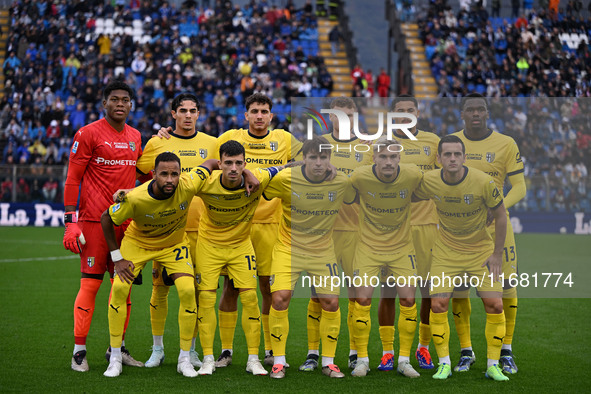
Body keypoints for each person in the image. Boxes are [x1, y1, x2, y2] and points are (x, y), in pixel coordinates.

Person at [101, 152, 215, 377]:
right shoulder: (135, 198)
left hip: (173, 244)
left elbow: (210, 163)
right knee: (120, 288)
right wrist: (117, 258)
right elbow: (106, 218)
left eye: (174, 174)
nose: (170, 179)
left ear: (181, 174)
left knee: (187, 291)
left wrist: (246, 173)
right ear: (153, 175)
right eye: (164, 174)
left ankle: (184, 359)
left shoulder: (189, 183)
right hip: (139, 242)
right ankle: (115, 357)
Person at [213, 93, 302, 368]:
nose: (260, 115)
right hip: (237, 223)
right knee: (230, 287)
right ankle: (226, 351)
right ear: (246, 115)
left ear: (271, 116)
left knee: (267, 287)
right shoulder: (232, 136)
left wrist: (268, 172)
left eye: (264, 111)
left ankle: (269, 349)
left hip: (270, 225)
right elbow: (213, 162)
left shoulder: (285, 139)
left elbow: (303, 162)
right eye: (255, 111)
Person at [63, 80, 143, 372]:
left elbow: (146, 173)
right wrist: (70, 222)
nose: (120, 104)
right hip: (94, 223)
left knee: (124, 289)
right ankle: (79, 352)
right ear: (104, 104)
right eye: (115, 99)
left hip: (126, 226)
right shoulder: (87, 134)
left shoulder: (136, 136)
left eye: (125, 100)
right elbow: (73, 179)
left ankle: (116, 349)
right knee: (90, 285)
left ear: (131, 105)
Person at [414, 135, 509, 382]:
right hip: (446, 252)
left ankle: (493, 365)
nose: (453, 158)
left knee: (495, 305)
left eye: (457, 154)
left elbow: (501, 216)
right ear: (439, 159)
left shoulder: (483, 182)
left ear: (465, 157)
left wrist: (497, 254)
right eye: (447, 154)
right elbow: (405, 188)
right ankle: (444, 363)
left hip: (480, 251)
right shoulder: (430, 181)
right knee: (438, 305)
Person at [136, 93, 218, 369]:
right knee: (160, 288)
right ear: (173, 114)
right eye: (182, 110)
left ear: (198, 113)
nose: (188, 115)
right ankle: (157, 348)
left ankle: (190, 349)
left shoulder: (211, 144)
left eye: (193, 110)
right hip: (166, 228)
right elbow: (140, 173)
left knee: (193, 290)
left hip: (201, 229)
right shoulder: (158, 142)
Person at [195, 140, 286, 376]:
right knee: (205, 299)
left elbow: (288, 166)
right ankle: (207, 358)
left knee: (250, 299)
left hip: (240, 246)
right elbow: (172, 183)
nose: (234, 168)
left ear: (245, 164)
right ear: (219, 164)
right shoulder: (205, 181)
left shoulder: (258, 178)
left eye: (239, 164)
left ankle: (253, 359)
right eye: (228, 163)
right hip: (209, 246)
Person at [266, 136, 355, 379]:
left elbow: (356, 192)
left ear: (330, 160)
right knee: (280, 298)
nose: (318, 163)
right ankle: (279, 362)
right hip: (288, 248)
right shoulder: (286, 179)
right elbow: (257, 180)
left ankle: (328, 362)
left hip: (322, 251)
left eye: (323, 158)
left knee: (331, 303)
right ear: (303, 158)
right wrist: (285, 167)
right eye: (313, 157)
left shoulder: (341, 181)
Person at [450, 93, 525, 374]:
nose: (476, 113)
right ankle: (466, 351)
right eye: (470, 109)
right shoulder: (451, 143)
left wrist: (497, 209)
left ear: (487, 113)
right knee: (460, 288)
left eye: (480, 109)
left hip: (497, 229)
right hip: (459, 231)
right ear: (462, 114)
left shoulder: (506, 144)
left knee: (505, 286)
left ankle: (505, 349)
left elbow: (519, 187)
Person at [300, 97, 372, 373]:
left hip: (357, 232)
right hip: (323, 233)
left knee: (357, 294)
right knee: (318, 295)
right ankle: (313, 353)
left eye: (350, 115)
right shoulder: (316, 146)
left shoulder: (367, 148)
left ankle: (355, 353)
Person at [349, 136, 423, 378]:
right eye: (383, 157)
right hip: (368, 248)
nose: (388, 162)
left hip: (402, 249)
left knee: (408, 300)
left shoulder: (412, 175)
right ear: (374, 158)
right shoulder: (359, 176)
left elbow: (437, 185)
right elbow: (337, 186)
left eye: (393, 157)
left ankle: (403, 360)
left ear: (399, 158)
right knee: (362, 300)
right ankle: (362, 360)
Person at [377, 95, 439, 372]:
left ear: (418, 112)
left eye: (410, 111)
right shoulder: (379, 144)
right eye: (399, 111)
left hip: (427, 227)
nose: (405, 115)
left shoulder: (434, 143)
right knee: (389, 292)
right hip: (392, 229)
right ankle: (388, 351)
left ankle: (423, 348)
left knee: (426, 291)